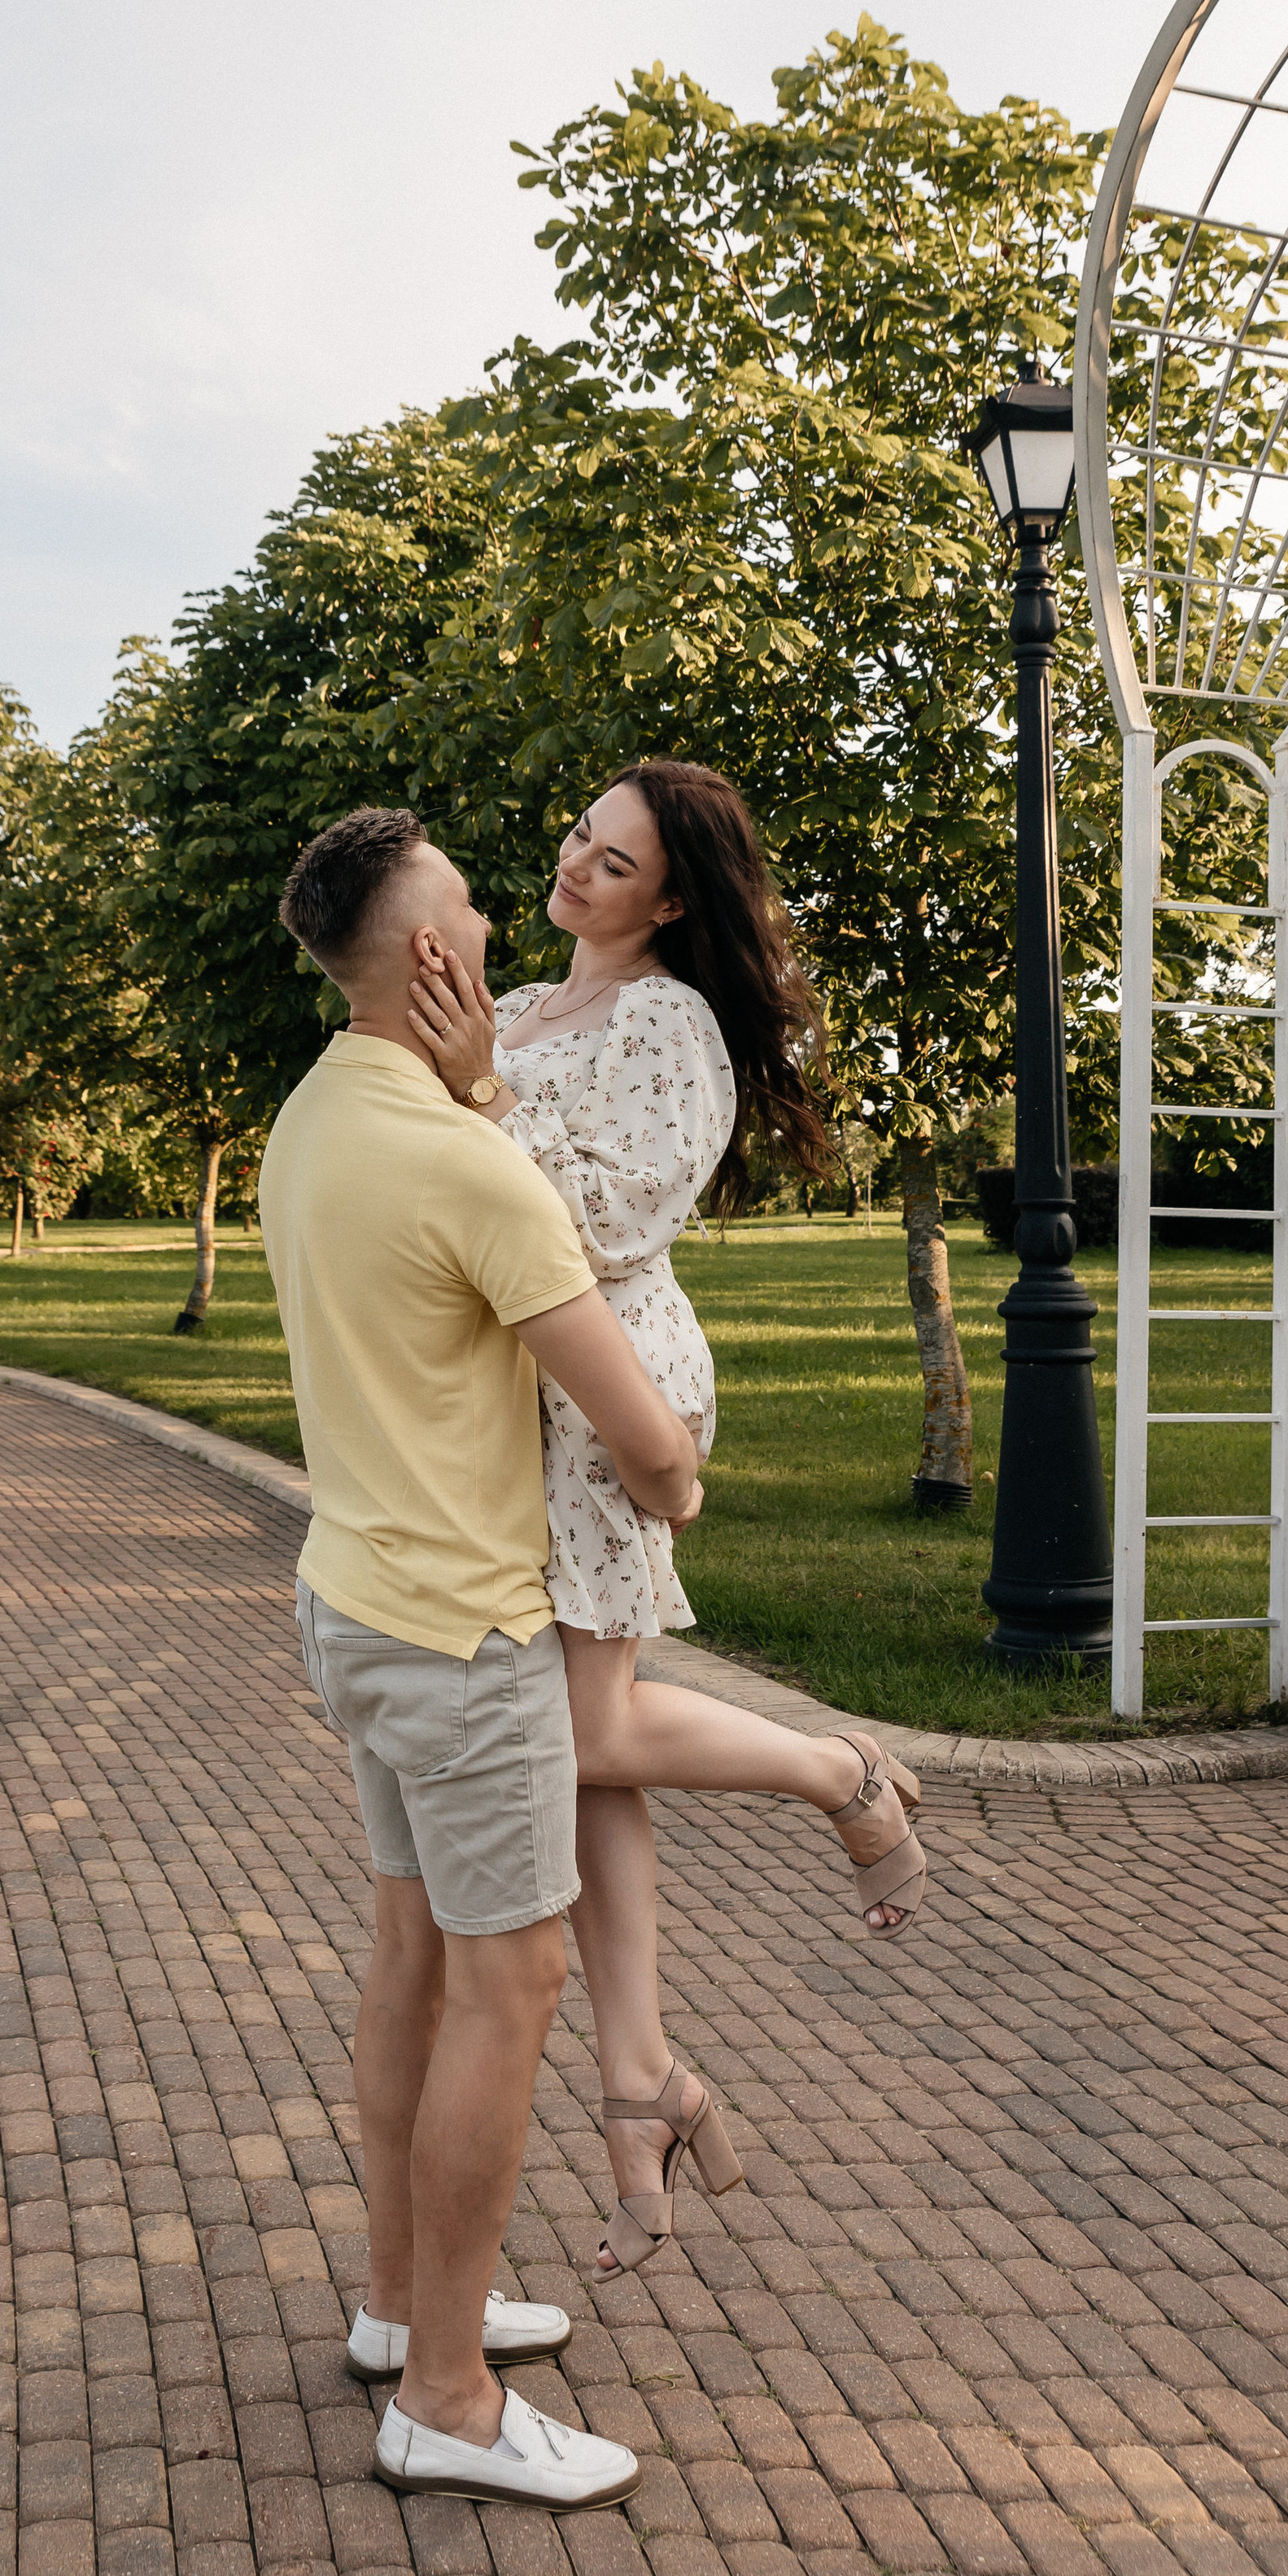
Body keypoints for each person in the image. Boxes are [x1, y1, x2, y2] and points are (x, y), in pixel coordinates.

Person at [408, 759, 928, 2282]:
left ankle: (843, 1775)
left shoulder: (666, 1024)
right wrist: (468, 1070)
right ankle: (642, 2087)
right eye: (576, 834)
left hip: (614, 1386)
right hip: (516, 1404)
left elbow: (615, 1220)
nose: (576, 866)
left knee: (580, 1736)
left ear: (674, 899)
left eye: (616, 860)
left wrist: (483, 1097)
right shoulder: (505, 1020)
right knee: (590, 1745)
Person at [259, 804, 707, 2511]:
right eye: (463, 905)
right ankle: (444, 2398)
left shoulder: (314, 1115)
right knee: (507, 1987)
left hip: (350, 1605)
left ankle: (398, 2310)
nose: (491, 924)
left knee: (408, 1955)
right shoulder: (469, 1165)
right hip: (460, 1638)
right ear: (430, 956)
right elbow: (645, 1446)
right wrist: (677, 1468)